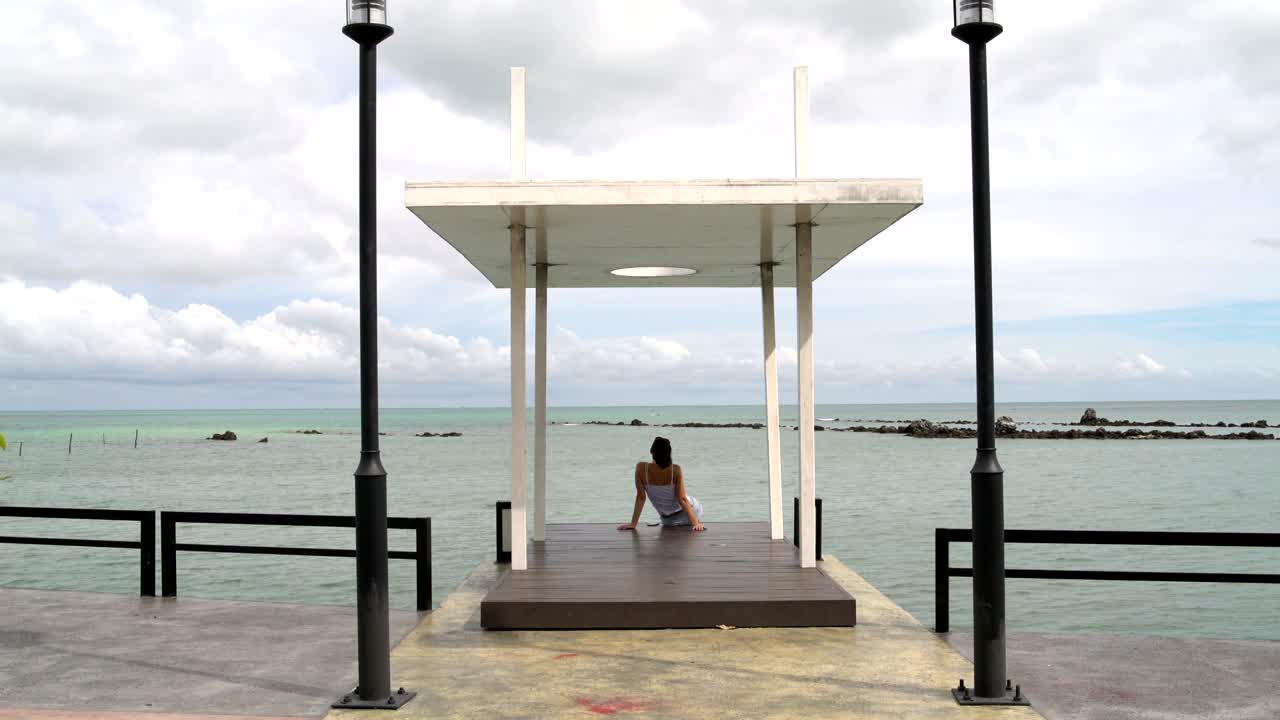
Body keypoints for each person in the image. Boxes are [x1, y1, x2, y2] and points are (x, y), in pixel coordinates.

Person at [617, 436, 706, 532]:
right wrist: (695, 522)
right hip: (688, 514)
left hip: (668, 520)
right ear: (669, 454)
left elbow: (641, 497)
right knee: (689, 499)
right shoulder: (675, 469)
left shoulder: (641, 468)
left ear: (652, 451)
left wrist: (633, 524)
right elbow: (682, 499)